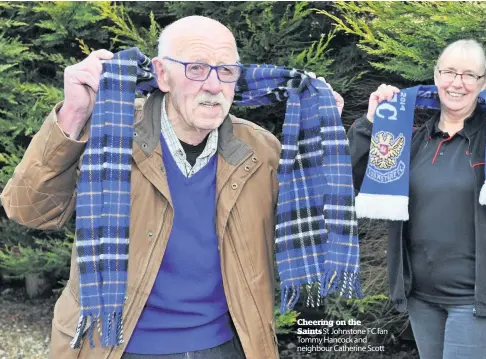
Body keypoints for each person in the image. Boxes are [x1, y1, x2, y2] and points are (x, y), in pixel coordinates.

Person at [1, 16, 342, 359]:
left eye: (226, 70)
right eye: (196, 68)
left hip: (227, 348)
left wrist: (320, 142)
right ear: (162, 74)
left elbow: (312, 233)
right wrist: (74, 113)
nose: (213, 85)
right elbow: (28, 210)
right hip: (116, 347)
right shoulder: (110, 134)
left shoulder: (261, 150)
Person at [347, 39, 486, 359]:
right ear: (436, 76)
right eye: (449, 71)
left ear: (485, 82)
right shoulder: (411, 140)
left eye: (469, 74)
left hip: (477, 303)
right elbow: (356, 176)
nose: (457, 82)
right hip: (421, 300)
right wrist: (370, 121)